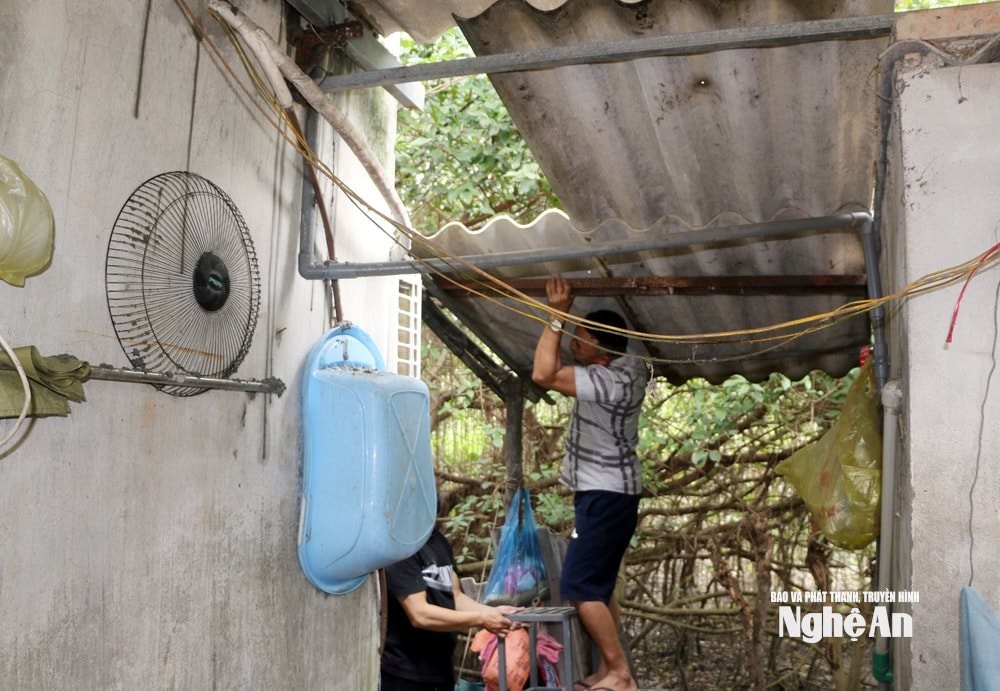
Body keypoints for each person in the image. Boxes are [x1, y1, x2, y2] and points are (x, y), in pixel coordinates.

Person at [531, 275, 647, 691]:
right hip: (610, 494)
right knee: (600, 584)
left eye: (580, 340)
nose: (574, 346)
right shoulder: (624, 371)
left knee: (579, 586)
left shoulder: (607, 381)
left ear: (603, 348)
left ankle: (619, 673)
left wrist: (557, 313)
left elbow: (543, 373)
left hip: (606, 494)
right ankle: (606, 669)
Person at [380, 525, 518, 691]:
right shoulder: (401, 547)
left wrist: (493, 613)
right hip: (404, 673)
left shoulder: (437, 540)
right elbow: (419, 614)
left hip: (441, 670)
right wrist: (482, 619)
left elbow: (456, 596)